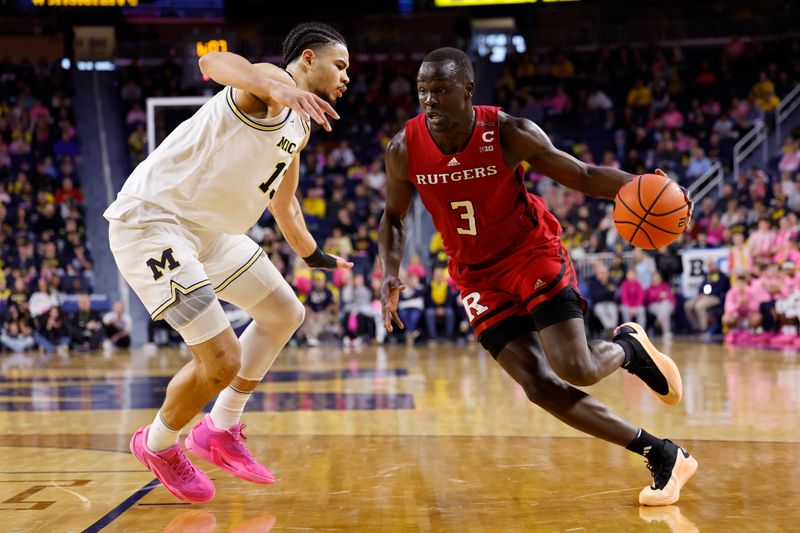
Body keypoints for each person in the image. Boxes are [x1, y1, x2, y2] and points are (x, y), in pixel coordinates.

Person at [378, 48, 696, 507]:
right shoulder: (404, 148)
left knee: (577, 368)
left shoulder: (509, 132)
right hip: (475, 277)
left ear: (468, 91)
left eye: (441, 91)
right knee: (539, 387)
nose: (429, 101)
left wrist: (645, 186)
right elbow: (393, 216)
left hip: (531, 255)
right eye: (423, 91)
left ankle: (628, 347)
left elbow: (583, 175)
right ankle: (663, 453)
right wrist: (390, 272)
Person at [103, 22, 352, 503]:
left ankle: (219, 429)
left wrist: (314, 254)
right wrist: (278, 86)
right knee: (221, 361)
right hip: (154, 221)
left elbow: (285, 204)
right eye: (339, 65)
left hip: (212, 233)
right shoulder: (264, 86)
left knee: (285, 312)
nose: (345, 77)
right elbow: (212, 64)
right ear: (306, 59)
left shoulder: (299, 125)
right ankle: (157, 444)